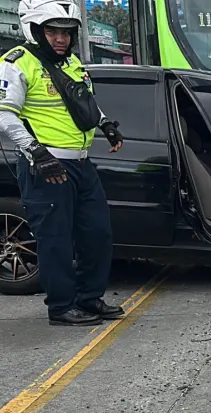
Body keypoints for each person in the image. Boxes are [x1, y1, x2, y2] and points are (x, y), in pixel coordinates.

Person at [0, 0, 124, 326]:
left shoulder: (71, 64)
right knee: (55, 239)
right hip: (46, 165)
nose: (61, 39)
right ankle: (61, 307)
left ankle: (89, 298)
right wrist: (37, 152)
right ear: (36, 30)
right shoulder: (16, 63)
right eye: (53, 32)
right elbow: (4, 114)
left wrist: (106, 124)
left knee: (97, 234)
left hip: (82, 164)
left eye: (67, 33)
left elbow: (84, 102)